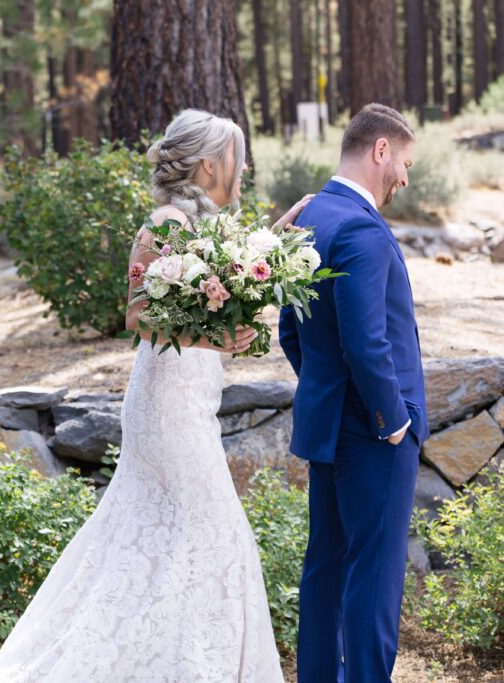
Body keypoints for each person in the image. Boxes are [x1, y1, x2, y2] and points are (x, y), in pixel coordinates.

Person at [0, 109, 311, 682]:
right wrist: (219, 335)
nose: (244, 166)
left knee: (168, 540)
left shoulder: (197, 226)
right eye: (237, 157)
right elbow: (139, 316)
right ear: (208, 164)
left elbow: (217, 289)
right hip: (167, 408)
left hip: (191, 402)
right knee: (213, 535)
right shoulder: (166, 223)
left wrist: (273, 243)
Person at [278, 103, 430, 683]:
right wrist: (393, 419)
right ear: (380, 150)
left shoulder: (310, 217)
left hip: (329, 423)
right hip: (374, 431)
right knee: (373, 579)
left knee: (327, 569)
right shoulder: (362, 228)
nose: (406, 180)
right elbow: (367, 342)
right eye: (405, 163)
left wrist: (324, 388)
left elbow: (293, 331)